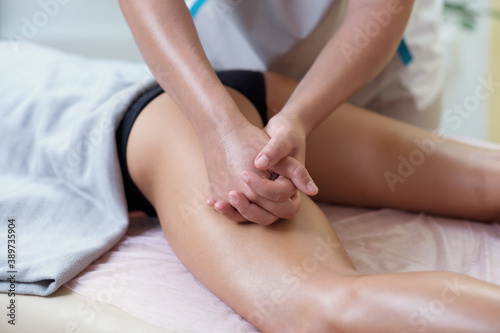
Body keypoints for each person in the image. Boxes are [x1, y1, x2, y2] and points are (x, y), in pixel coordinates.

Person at [118, 69, 500, 332]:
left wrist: (220, 127)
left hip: (166, 113)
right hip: (222, 93)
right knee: (488, 178)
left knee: (319, 307)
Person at [119, 0, 444, 225]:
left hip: (375, 74)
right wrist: (218, 127)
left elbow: (378, 10)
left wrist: (298, 118)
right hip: (230, 56)